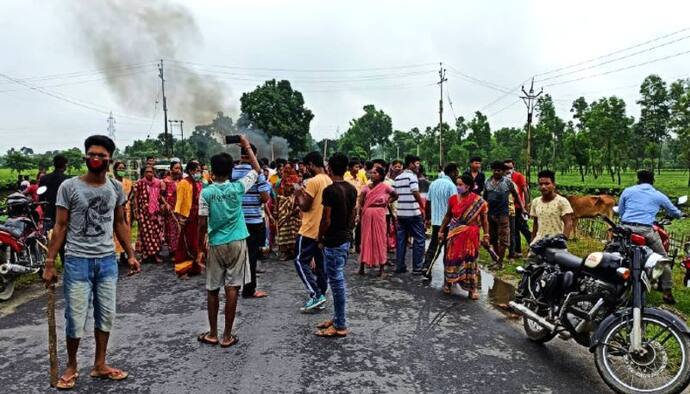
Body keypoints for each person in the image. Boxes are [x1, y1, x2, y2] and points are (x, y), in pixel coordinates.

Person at [42, 135, 140, 390]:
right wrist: (50, 263)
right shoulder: (69, 187)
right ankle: (72, 365)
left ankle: (100, 364)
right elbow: (60, 225)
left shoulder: (116, 188)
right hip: (77, 260)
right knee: (75, 317)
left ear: (110, 159)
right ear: (85, 157)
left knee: (106, 314)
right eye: (92, 154)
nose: (96, 159)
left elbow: (120, 222)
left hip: (107, 260)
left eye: (101, 155)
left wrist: (130, 253)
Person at [196, 136, 260, 348]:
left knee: (213, 289)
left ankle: (212, 333)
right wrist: (246, 145)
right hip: (237, 241)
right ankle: (227, 336)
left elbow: (202, 223)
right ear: (231, 171)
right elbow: (257, 169)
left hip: (216, 243)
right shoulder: (237, 188)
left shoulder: (206, 193)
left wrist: (200, 248)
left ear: (211, 172)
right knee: (232, 288)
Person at [619, 170, 682, 304]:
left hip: (625, 229)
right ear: (653, 181)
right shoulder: (657, 195)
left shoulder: (628, 191)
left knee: (612, 248)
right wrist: (680, 214)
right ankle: (667, 292)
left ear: (638, 179)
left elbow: (621, 210)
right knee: (663, 259)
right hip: (645, 230)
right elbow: (674, 211)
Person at [315, 153, 357, 337]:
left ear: (329, 169)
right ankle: (337, 317)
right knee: (336, 278)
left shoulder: (330, 191)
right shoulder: (352, 189)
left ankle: (340, 324)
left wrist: (320, 237)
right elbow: (353, 214)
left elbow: (326, 219)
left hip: (333, 240)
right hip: (345, 238)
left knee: (336, 281)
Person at [438, 174, 490, 299]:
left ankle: (472, 289)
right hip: (454, 233)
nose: (458, 187)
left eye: (460, 185)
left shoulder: (479, 201)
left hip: (470, 236)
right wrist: (441, 230)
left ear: (468, 186)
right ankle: (448, 283)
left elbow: (484, 220)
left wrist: (486, 235)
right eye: (457, 184)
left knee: (470, 260)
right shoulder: (453, 199)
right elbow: (448, 216)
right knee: (451, 258)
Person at [231, 143, 271, 299]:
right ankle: (249, 290)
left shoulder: (232, 173)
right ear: (254, 155)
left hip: (236, 220)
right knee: (251, 257)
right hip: (253, 221)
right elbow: (265, 197)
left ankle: (233, 288)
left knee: (236, 256)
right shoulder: (257, 174)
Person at [294, 151, 332, 311]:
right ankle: (321, 292)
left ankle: (316, 294)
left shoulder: (313, 181)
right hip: (322, 229)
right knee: (321, 264)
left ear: (310, 164)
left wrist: (298, 193)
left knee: (300, 261)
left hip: (309, 229)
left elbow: (305, 205)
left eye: (306, 166)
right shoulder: (328, 180)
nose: (305, 169)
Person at [358, 166, 398, 276]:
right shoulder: (366, 188)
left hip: (380, 214)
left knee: (380, 239)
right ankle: (361, 267)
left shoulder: (385, 187)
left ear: (381, 175)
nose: (372, 174)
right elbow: (360, 203)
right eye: (371, 173)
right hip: (367, 214)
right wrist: (358, 215)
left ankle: (381, 269)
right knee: (366, 239)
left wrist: (387, 201)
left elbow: (395, 195)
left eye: (375, 173)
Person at [422, 163, 459, 278]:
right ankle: (447, 271)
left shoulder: (433, 183)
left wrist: (428, 217)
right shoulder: (451, 186)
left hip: (436, 221)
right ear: (453, 172)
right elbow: (455, 204)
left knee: (434, 245)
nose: (457, 175)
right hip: (448, 222)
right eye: (456, 172)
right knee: (448, 248)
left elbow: (428, 202)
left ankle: (426, 267)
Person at [483, 161, 520, 269]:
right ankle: (497, 259)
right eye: (494, 170)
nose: (496, 172)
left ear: (503, 171)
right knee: (493, 238)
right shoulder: (487, 182)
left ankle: (500, 261)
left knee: (504, 239)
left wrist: (522, 209)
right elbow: (485, 198)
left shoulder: (508, 182)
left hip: (503, 214)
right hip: (491, 213)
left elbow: (516, 195)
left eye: (499, 170)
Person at [394, 155, 426, 274]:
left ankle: (400, 266)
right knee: (419, 239)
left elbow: (396, 195)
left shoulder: (398, 178)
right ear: (411, 164)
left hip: (401, 212)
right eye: (417, 163)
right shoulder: (412, 177)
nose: (418, 166)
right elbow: (415, 192)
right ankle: (417, 267)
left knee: (401, 240)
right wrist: (422, 206)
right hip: (413, 213)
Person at [174, 162, 203, 277]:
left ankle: (195, 267)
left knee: (196, 242)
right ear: (191, 171)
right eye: (197, 170)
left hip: (197, 216)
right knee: (185, 243)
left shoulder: (197, 183)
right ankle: (183, 269)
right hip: (187, 216)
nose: (199, 173)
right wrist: (180, 217)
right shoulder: (183, 183)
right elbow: (179, 200)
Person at [530, 170, 574, 245]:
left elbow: (568, 223)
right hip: (539, 242)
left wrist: (562, 241)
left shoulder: (561, 201)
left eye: (547, 184)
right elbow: (535, 224)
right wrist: (532, 241)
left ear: (554, 185)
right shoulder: (535, 202)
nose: (543, 186)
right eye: (541, 184)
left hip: (556, 242)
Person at [40, 154, 69, 262]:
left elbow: (41, 197)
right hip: (65, 213)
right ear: (65, 165)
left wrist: (45, 209)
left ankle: (49, 261)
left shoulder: (44, 179)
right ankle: (63, 260)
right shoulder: (68, 179)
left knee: (50, 238)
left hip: (49, 213)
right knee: (64, 238)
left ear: (54, 164)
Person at [133, 165, 165, 263]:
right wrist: (136, 211)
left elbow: (161, 196)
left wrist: (163, 206)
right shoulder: (139, 183)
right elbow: (135, 198)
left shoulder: (158, 183)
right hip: (144, 213)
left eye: (151, 172)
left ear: (154, 172)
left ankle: (156, 255)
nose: (149, 173)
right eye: (147, 172)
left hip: (156, 212)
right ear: (144, 173)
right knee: (145, 234)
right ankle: (145, 255)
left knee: (156, 233)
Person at [505, 159, 531, 258]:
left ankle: (533, 245)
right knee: (514, 229)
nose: (508, 170)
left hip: (519, 207)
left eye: (510, 168)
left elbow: (525, 190)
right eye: (506, 168)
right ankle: (518, 250)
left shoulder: (519, 176)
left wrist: (526, 205)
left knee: (523, 228)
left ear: (513, 167)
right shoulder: (503, 178)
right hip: (509, 207)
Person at [275, 169, 301, 261]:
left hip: (294, 217)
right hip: (283, 216)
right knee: (283, 233)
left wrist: (290, 215)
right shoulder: (280, 184)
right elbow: (277, 200)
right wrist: (276, 213)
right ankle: (287, 252)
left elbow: (299, 205)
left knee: (294, 234)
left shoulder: (297, 187)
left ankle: (293, 252)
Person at [112, 161, 134, 264]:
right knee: (116, 231)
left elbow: (131, 196)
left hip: (127, 210)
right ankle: (115, 253)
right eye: (119, 168)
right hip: (116, 209)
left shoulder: (129, 182)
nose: (121, 170)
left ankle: (124, 254)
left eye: (122, 168)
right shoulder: (112, 183)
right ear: (115, 170)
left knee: (126, 230)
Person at [162, 162, 183, 254]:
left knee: (180, 229)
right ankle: (173, 250)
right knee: (172, 230)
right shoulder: (165, 181)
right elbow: (161, 195)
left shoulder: (182, 181)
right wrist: (166, 203)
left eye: (179, 168)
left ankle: (180, 250)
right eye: (176, 168)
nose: (178, 170)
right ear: (171, 169)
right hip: (170, 209)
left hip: (180, 209)